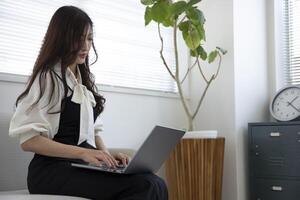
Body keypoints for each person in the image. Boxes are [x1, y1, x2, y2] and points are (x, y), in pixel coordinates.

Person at [8, 5, 168, 200]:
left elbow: (92, 135)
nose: (85, 46)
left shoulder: (82, 81)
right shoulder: (48, 77)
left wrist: (108, 156)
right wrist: (83, 153)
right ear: (62, 38)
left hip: (78, 166)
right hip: (50, 172)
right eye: (78, 38)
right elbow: (29, 141)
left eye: (89, 38)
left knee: (155, 182)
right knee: (145, 186)